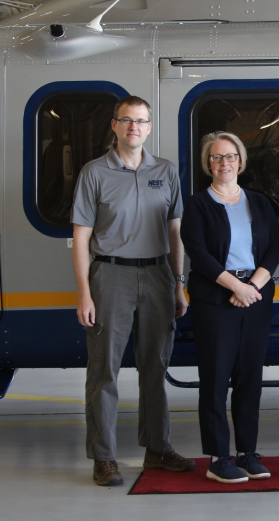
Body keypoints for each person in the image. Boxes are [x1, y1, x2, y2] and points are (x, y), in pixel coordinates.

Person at [73, 96, 196, 487]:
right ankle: (104, 457)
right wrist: (84, 293)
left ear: (148, 127)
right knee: (104, 370)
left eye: (141, 121)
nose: (134, 128)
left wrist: (179, 283)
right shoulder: (94, 173)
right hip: (111, 277)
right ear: (114, 126)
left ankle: (158, 448)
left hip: (159, 275)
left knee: (154, 367)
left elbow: (176, 233)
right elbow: (80, 238)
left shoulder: (166, 171)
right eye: (127, 121)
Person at [181, 131, 279, 484]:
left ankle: (247, 453)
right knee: (215, 379)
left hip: (254, 297)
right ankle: (218, 457)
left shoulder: (259, 202)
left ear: (241, 161)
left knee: (249, 378)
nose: (225, 163)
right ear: (208, 164)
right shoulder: (197, 205)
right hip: (215, 299)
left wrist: (252, 286)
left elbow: (272, 250)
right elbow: (199, 254)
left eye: (231, 156)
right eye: (217, 157)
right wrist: (235, 286)